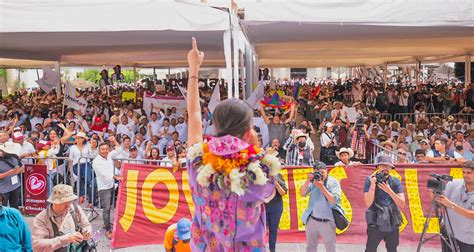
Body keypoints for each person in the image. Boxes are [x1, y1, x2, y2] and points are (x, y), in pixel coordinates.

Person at [185, 38, 280, 251]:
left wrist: (194, 70)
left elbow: (194, 115)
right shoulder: (260, 170)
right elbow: (270, 195)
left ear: (215, 127)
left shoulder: (198, 161)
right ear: (249, 132)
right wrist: (254, 147)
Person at [32, 184, 92, 252]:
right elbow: (37, 246)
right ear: (55, 202)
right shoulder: (41, 219)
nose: (69, 205)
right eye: (65, 202)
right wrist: (66, 239)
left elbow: (86, 225)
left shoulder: (74, 208)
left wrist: (87, 231)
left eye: (70, 201)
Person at [364, 156, 405, 252]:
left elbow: (402, 203)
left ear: (391, 168)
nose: (385, 168)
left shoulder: (395, 181)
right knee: (370, 248)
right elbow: (368, 203)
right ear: (378, 167)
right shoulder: (370, 180)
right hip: (375, 220)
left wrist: (389, 190)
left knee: (392, 248)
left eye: (388, 166)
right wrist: (373, 185)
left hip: (392, 220)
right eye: (383, 165)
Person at [300, 161, 343, 252]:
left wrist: (321, 187)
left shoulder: (334, 182)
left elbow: (334, 200)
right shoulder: (313, 181)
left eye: (322, 172)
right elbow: (302, 193)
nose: (320, 175)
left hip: (328, 221)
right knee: (310, 247)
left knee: (330, 248)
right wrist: (308, 180)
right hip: (312, 220)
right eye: (317, 172)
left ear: (327, 171)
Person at [434, 161, 474, 251]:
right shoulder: (453, 184)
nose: (465, 175)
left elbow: (472, 215)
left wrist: (451, 205)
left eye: (469, 173)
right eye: (463, 172)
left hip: (469, 239)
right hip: (449, 234)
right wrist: (435, 196)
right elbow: (441, 205)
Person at [92, 142, 122, 239]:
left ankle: (107, 223)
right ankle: (107, 229)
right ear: (99, 150)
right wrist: (116, 177)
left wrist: (114, 141)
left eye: (106, 149)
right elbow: (103, 174)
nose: (105, 151)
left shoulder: (109, 156)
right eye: (102, 149)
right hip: (104, 187)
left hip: (112, 185)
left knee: (110, 206)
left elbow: (119, 149)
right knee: (106, 208)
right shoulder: (96, 161)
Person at [265, 173, 288, 252]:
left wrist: (276, 184)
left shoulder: (278, 176)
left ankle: (272, 249)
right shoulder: (260, 175)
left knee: (273, 229)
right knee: (261, 229)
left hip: (276, 207)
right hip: (263, 206)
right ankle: (259, 247)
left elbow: (284, 192)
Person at [0, 142, 23, 209]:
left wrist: (18, 170)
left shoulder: (15, 156)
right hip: (2, 189)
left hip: (15, 186)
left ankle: (14, 218)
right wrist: (8, 173)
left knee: (15, 206)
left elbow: (21, 167)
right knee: (2, 208)